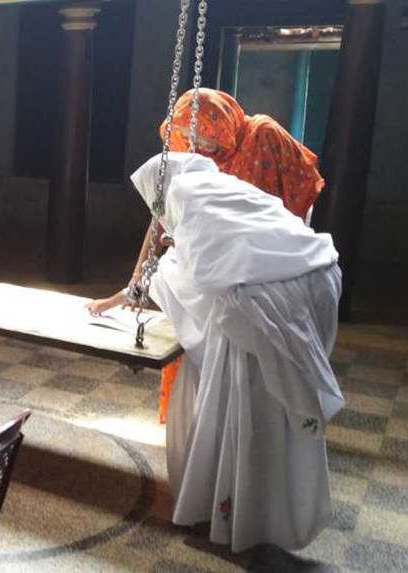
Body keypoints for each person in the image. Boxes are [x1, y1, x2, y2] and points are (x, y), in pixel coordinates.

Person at [131, 152, 343, 552]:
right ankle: (266, 515)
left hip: (253, 323)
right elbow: (229, 249)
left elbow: (204, 276)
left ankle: (236, 516)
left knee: (241, 419)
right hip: (310, 281)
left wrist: (164, 268)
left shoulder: (184, 194)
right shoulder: (224, 188)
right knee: (274, 426)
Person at [87, 89, 326, 421]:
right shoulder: (193, 158)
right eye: (192, 140)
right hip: (215, 273)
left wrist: (275, 254)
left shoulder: (262, 135)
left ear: (221, 122)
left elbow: (301, 195)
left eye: (206, 136)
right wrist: (135, 282)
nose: (201, 146)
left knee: (251, 368)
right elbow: (161, 218)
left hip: (265, 270)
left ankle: (245, 422)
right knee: (192, 337)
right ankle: (200, 422)